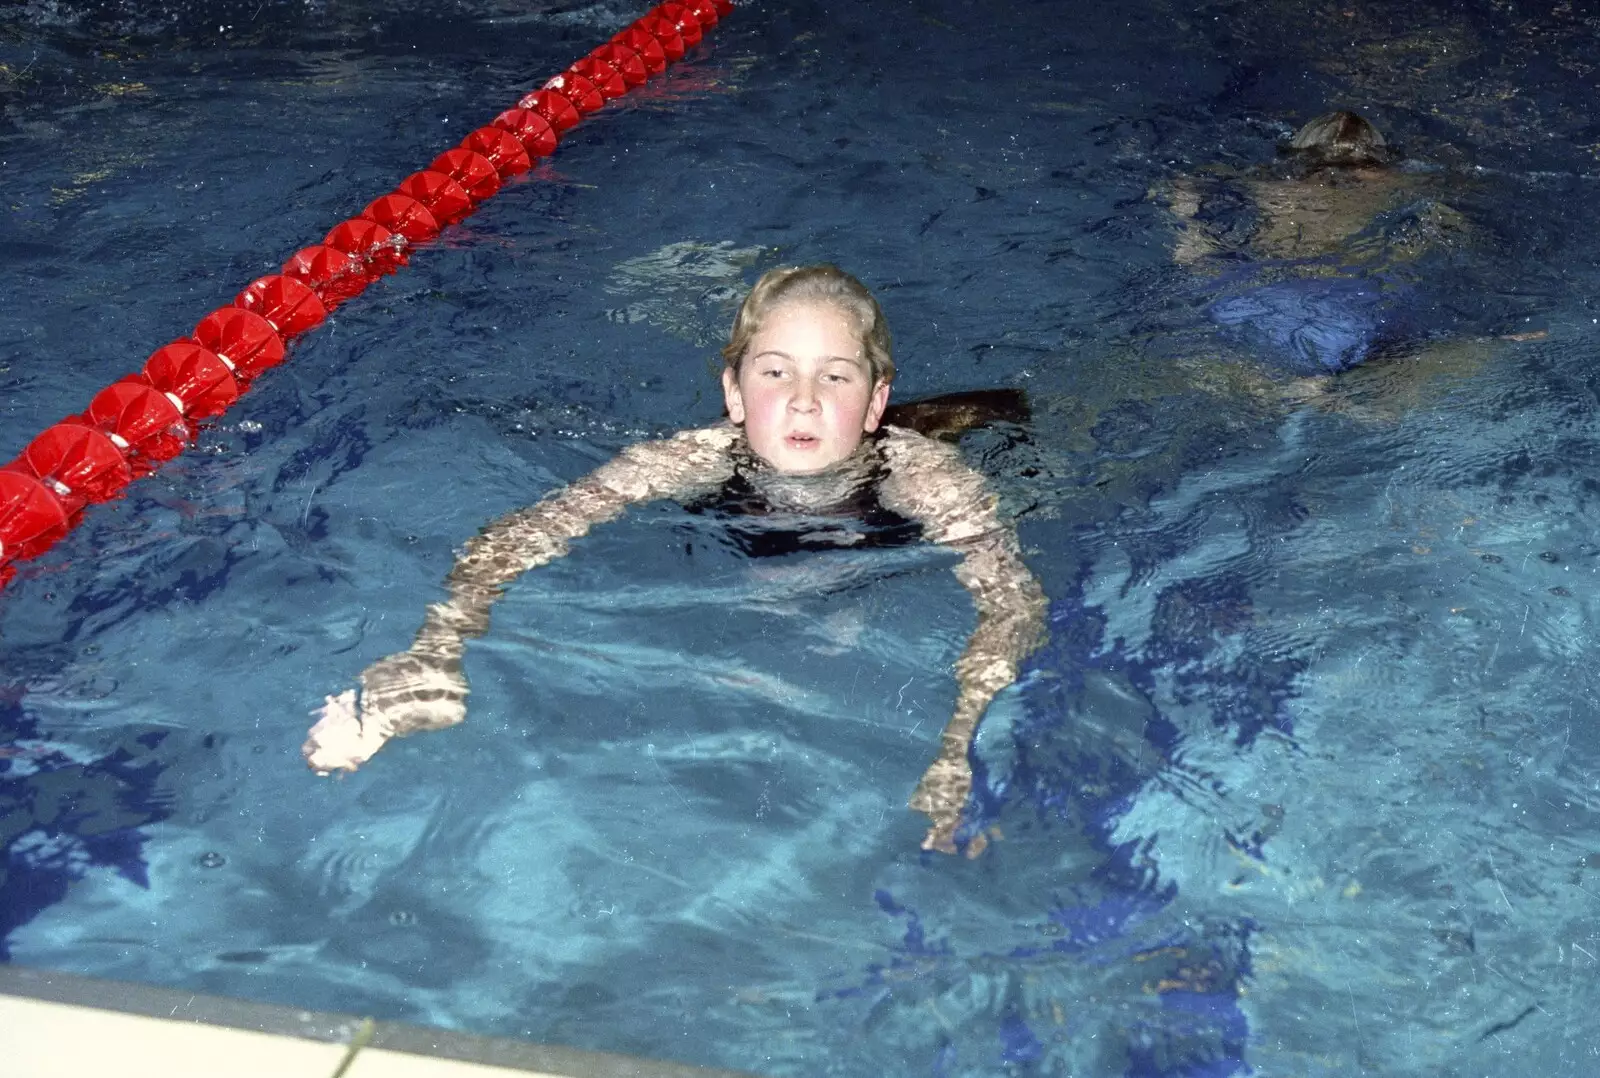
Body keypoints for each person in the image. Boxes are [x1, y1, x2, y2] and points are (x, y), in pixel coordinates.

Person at [303, 264, 1047, 855]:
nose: (803, 400)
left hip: (872, 540)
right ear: (733, 391)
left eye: (836, 377)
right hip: (766, 561)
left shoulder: (925, 478)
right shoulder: (690, 460)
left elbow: (1011, 604)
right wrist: (435, 648)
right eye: (776, 372)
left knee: (828, 624)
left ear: (876, 403)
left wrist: (959, 751)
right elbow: (521, 534)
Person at [1158, 109, 1479, 379]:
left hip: (1253, 290)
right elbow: (1462, 198)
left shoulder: (1265, 182)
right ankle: (1330, 393)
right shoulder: (1403, 182)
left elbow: (1186, 181)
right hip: (1355, 299)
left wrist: (1184, 206)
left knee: (1198, 261)